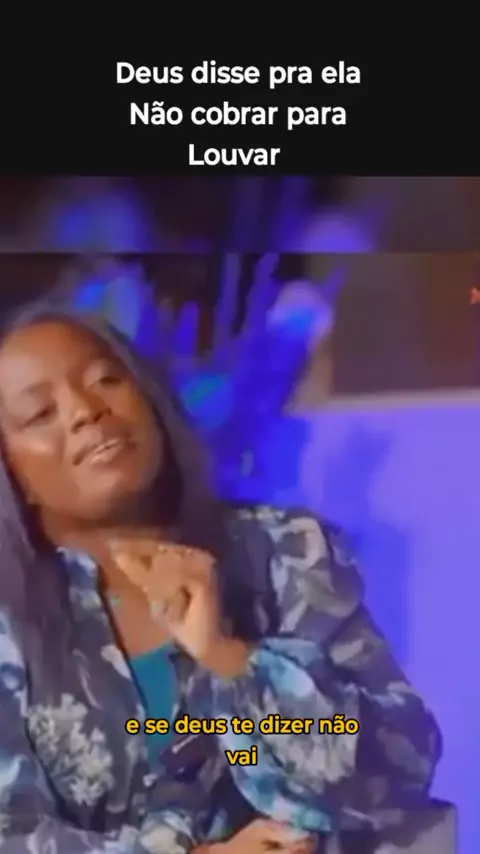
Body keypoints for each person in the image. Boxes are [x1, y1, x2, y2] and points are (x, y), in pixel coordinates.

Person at [0, 304, 441, 854]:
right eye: (40, 413)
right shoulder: (8, 619)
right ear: (12, 473)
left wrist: (234, 660)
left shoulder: (284, 552)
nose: (87, 411)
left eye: (106, 380)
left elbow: (399, 769)